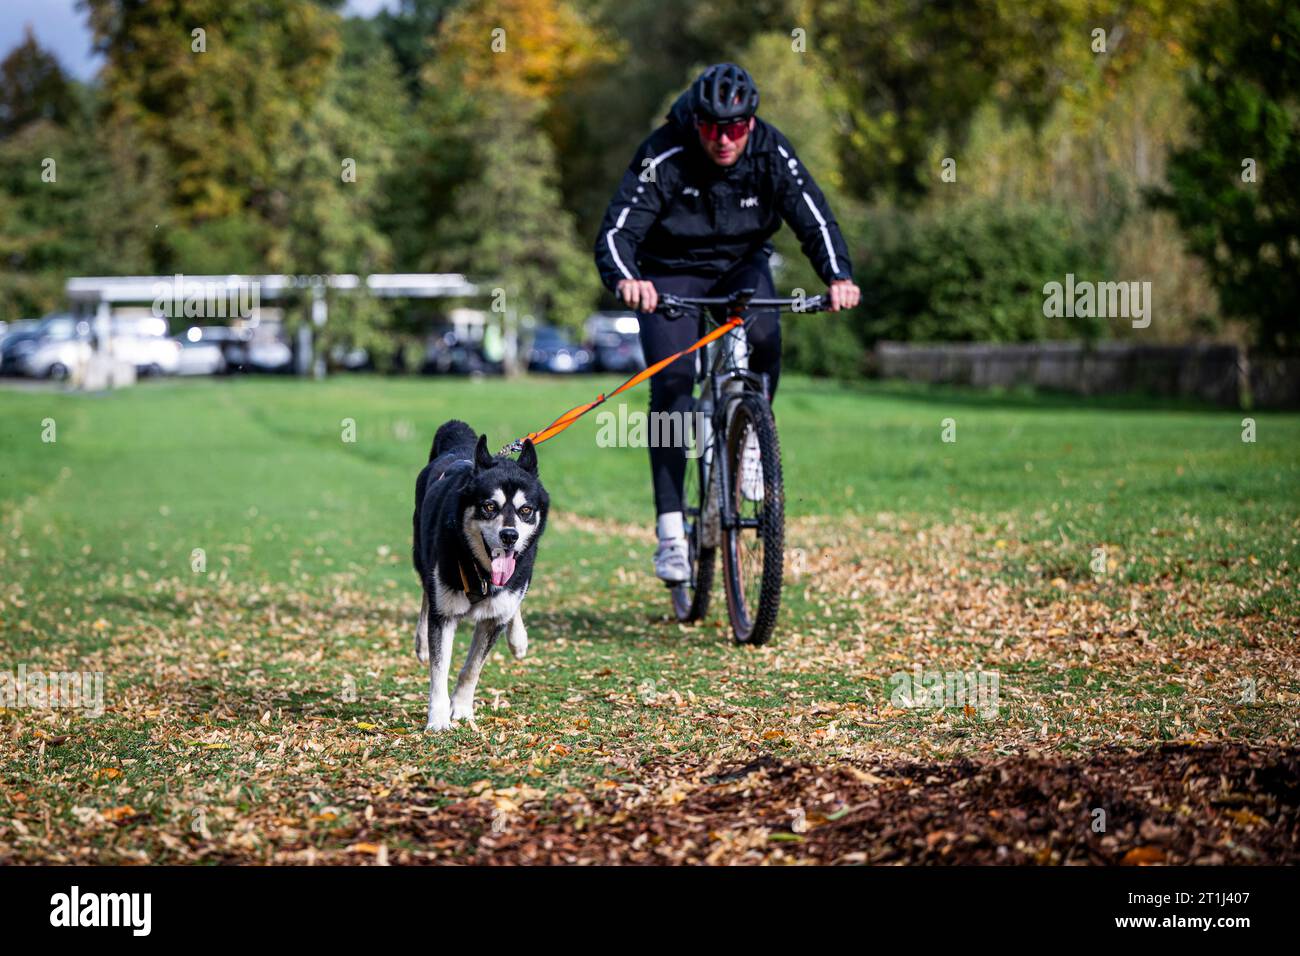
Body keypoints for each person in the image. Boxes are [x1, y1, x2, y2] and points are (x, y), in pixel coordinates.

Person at [593, 62, 861, 583]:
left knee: (764, 336)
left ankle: (753, 442)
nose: (724, 139)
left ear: (751, 124)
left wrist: (837, 276)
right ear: (696, 121)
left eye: (736, 128)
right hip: (670, 273)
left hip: (741, 266)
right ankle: (671, 531)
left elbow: (813, 215)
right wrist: (629, 279)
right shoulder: (663, 152)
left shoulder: (770, 150)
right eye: (713, 127)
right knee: (672, 382)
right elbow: (616, 230)